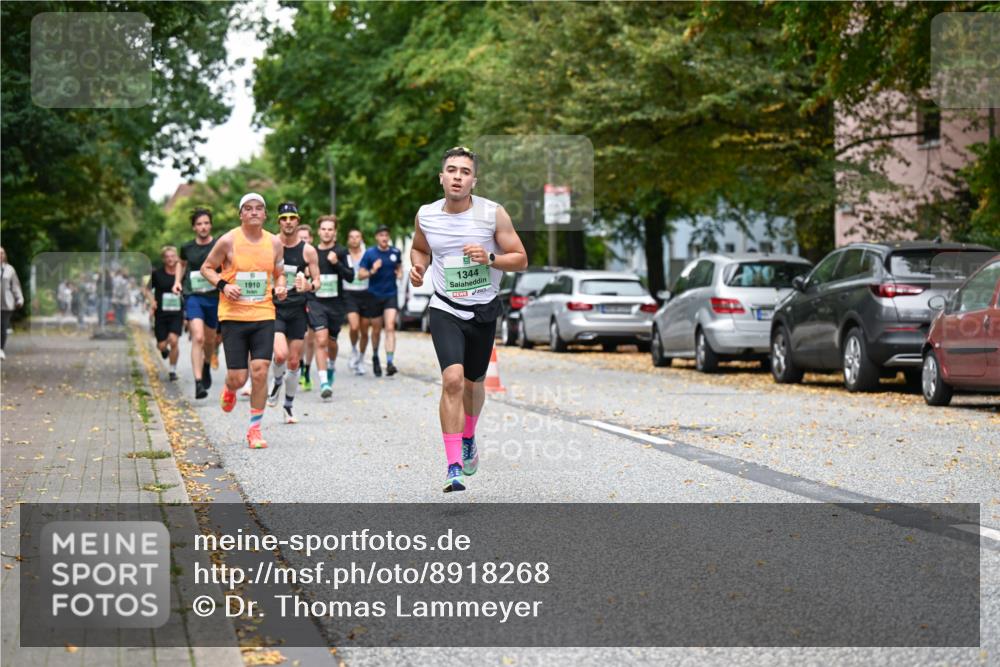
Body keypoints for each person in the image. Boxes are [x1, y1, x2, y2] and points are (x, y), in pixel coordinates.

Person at [410, 146, 527, 492]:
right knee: (453, 380)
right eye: (452, 170)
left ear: (474, 180)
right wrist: (418, 268)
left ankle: (469, 436)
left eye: (465, 171)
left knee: (475, 385)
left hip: (483, 309)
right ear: (441, 177)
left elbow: (519, 258)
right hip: (445, 307)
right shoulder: (426, 215)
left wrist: (490, 257)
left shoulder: (493, 214)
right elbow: (420, 247)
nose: (458, 176)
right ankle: (453, 467)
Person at [199, 192, 288, 449]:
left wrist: (281, 286)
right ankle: (230, 388)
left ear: (265, 214)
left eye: (258, 208)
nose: (253, 212)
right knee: (238, 377)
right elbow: (207, 268)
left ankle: (254, 430)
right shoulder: (227, 241)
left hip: (263, 314)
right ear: (240, 214)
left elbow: (280, 274)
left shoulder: (274, 244)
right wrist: (223, 285)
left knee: (260, 372)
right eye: (247, 208)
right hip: (233, 316)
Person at [266, 202, 320, 424]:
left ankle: (288, 405)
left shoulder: (308, 250)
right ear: (279, 221)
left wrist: (308, 286)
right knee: (280, 355)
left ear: (297, 220)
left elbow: (317, 281)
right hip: (275, 308)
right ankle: (277, 381)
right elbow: (260, 275)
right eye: (284, 218)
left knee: (294, 361)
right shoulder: (270, 245)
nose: (288, 222)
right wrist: (271, 289)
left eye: (292, 218)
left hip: (298, 309)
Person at [175, 208, 220, 399]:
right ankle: (198, 382)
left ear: (210, 225)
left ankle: (207, 364)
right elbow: (181, 264)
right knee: (198, 337)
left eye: (206, 223)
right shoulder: (187, 248)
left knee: (210, 340)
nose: (203, 227)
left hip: (214, 296)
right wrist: (177, 281)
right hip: (193, 295)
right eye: (199, 224)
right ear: (194, 227)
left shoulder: (219, 245)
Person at [309, 214, 355, 399]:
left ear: (334, 232)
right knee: (320, 340)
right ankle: (324, 382)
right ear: (319, 231)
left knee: (332, 342)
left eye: (330, 229)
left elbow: (351, 276)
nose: (326, 232)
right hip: (316, 302)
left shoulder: (342, 252)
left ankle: (331, 365)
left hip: (336, 304)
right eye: (324, 229)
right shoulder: (310, 252)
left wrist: (336, 263)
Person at [358, 225, 402, 377]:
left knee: (390, 326)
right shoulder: (370, 253)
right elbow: (360, 274)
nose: (384, 237)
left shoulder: (395, 252)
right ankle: (375, 356)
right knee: (376, 330)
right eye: (381, 235)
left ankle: (390, 362)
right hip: (374, 296)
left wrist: (400, 273)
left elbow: (399, 267)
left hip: (391, 294)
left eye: (386, 235)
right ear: (377, 237)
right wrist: (372, 270)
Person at [146, 247, 184, 381]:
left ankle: (172, 370)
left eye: (173, 256)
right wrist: (152, 302)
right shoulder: (157, 274)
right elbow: (147, 289)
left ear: (177, 257)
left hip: (176, 313)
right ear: (163, 259)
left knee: (174, 341)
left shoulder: (181, 274)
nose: (170, 259)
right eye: (167, 256)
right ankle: (164, 350)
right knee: (161, 345)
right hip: (161, 313)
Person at [343, 228, 372, 375]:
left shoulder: (367, 254)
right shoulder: (344, 254)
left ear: (361, 238)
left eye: (357, 237)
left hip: (366, 293)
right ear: (348, 239)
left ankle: (360, 359)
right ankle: (354, 349)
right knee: (354, 327)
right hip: (349, 293)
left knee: (365, 331)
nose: (354, 239)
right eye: (352, 237)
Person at [296, 223, 317, 391]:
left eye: (306, 237)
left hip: (314, 300)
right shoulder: (293, 256)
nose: (303, 240)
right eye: (300, 237)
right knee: (300, 336)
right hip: (297, 301)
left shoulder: (313, 255)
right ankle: (299, 364)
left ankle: (307, 370)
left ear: (311, 239)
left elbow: (320, 280)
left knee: (311, 337)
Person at [0, 246, 25, 360]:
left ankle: (1, 349)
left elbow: (15, 286)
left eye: (2, 253)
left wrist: (19, 299)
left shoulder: (10, 270)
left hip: (6, 303)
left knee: (3, 327)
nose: (0, 255)